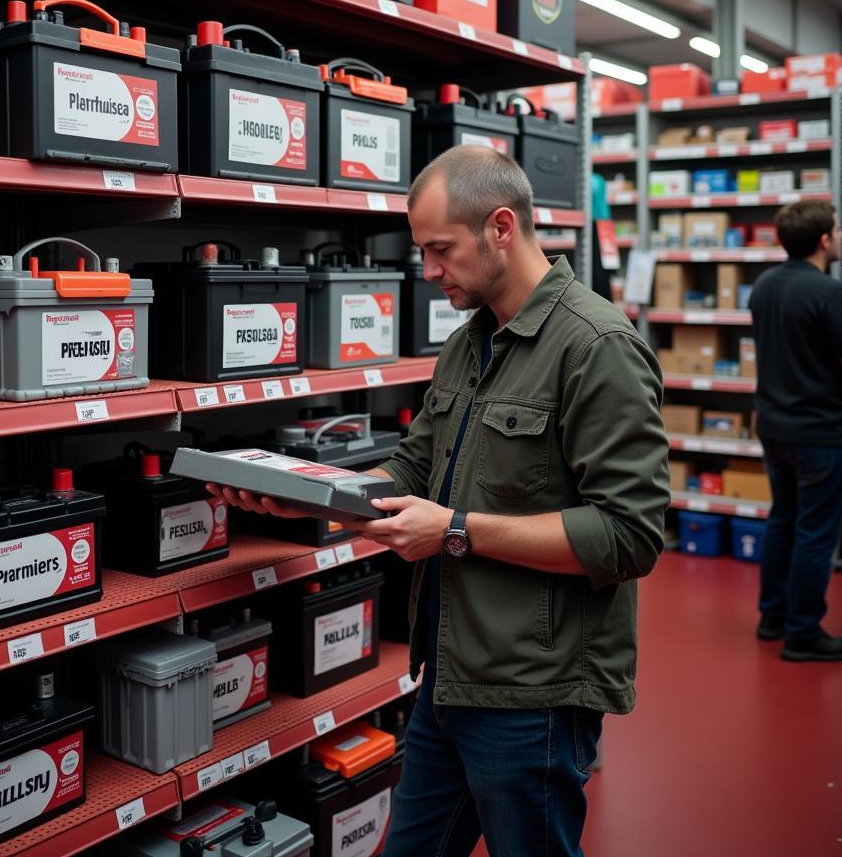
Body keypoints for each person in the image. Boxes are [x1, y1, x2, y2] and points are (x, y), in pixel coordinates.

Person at [208, 145, 669, 856]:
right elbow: (412, 471)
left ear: (502, 228)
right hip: (446, 676)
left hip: (532, 692)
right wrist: (310, 501)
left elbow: (629, 535)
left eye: (439, 250)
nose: (427, 271)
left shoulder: (597, 346)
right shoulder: (468, 344)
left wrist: (455, 532)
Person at [749, 199, 842, 662]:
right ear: (825, 240)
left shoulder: (764, 286)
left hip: (774, 425)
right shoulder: (827, 292)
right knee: (816, 532)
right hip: (819, 432)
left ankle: (772, 617)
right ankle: (803, 632)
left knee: (782, 519)